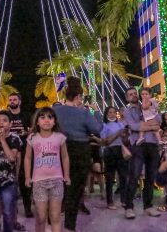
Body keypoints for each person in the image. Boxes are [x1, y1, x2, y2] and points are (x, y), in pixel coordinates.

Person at [53, 76, 102, 232]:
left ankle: (52, 223)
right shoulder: (84, 112)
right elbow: (97, 129)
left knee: (59, 187)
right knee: (75, 189)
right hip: (80, 150)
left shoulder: (55, 111)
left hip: (60, 149)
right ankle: (69, 226)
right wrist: (96, 112)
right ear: (78, 97)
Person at [25, 107, 70, 232]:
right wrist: (28, 177)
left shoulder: (60, 137)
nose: (46, 120)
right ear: (37, 121)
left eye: (50, 117)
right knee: (40, 217)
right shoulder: (32, 138)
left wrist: (66, 175)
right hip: (39, 182)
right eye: (42, 117)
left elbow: (65, 157)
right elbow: (27, 158)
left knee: (55, 216)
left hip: (56, 181)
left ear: (54, 121)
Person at [123, 86, 162, 220]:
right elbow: (133, 126)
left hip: (152, 144)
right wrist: (151, 126)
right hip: (138, 145)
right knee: (134, 175)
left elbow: (159, 122)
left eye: (135, 93)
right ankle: (129, 207)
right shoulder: (127, 111)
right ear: (127, 98)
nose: (134, 95)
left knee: (151, 177)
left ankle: (148, 206)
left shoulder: (149, 104)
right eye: (130, 94)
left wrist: (149, 125)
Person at [7, 92, 33, 220]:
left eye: (14, 99)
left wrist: (26, 132)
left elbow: (33, 128)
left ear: (19, 101)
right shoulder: (6, 115)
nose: (12, 101)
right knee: (9, 179)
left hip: (24, 150)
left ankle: (27, 207)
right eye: (10, 99)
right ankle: (12, 208)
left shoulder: (26, 115)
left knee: (24, 180)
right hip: (9, 150)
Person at [100, 106, 129, 210]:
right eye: (110, 112)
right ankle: (110, 201)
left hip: (120, 150)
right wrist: (117, 134)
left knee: (123, 177)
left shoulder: (120, 124)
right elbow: (105, 141)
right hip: (110, 151)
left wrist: (125, 135)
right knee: (110, 178)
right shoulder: (104, 126)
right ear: (106, 114)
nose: (112, 114)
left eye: (114, 112)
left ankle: (124, 200)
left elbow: (125, 140)